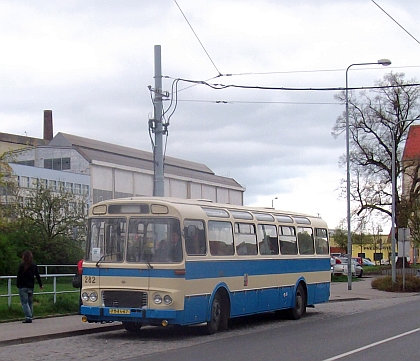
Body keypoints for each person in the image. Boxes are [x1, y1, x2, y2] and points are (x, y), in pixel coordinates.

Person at [16, 250, 43, 323]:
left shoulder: (22, 265)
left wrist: (17, 284)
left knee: (24, 302)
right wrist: (40, 284)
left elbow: (19, 276)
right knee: (30, 302)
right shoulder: (34, 266)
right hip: (31, 286)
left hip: (23, 286)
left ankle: (28, 317)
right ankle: (30, 315)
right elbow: (37, 276)